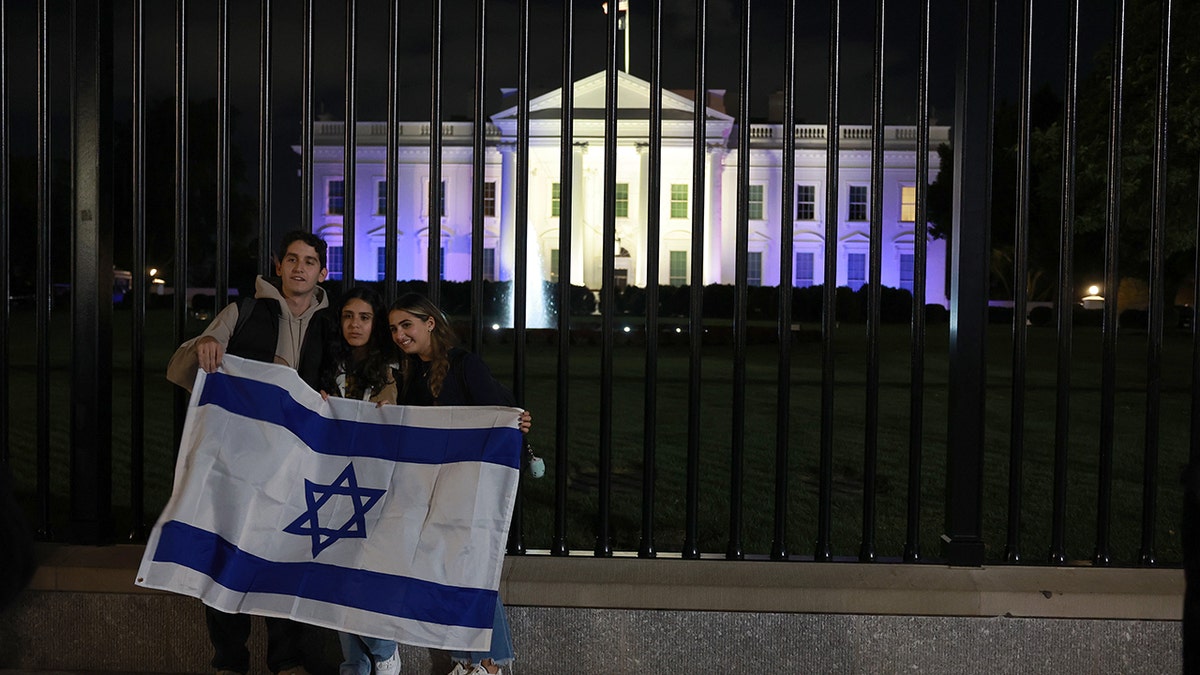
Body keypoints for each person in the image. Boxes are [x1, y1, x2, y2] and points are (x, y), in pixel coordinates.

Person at [166, 230, 335, 675]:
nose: (300, 267)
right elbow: (188, 363)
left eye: (311, 261)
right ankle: (228, 659)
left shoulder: (331, 321)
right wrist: (205, 346)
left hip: (300, 462)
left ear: (323, 271)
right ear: (278, 266)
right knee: (230, 553)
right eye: (293, 259)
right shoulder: (242, 311)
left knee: (284, 558)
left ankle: (286, 659)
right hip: (242, 459)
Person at [387, 292, 527, 675]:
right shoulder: (412, 373)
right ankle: (468, 662)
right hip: (434, 488)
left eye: (407, 325)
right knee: (447, 570)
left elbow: (498, 413)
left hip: (470, 487)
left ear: (430, 323)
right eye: (394, 328)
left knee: (471, 572)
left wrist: (517, 423)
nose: (399, 334)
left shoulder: (465, 364)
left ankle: (490, 663)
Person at [318, 286, 401, 675]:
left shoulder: (391, 367)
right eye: (348, 316)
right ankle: (354, 664)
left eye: (364, 317)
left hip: (376, 481)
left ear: (376, 322)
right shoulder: (327, 362)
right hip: (330, 476)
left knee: (364, 570)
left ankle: (382, 650)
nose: (354, 324)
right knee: (337, 569)